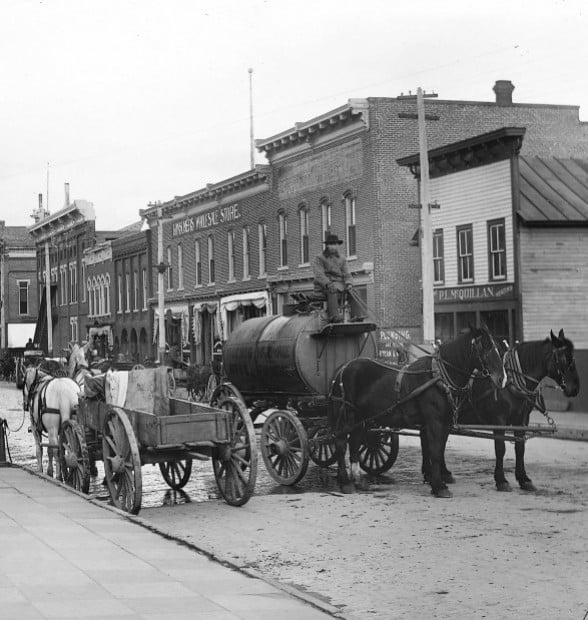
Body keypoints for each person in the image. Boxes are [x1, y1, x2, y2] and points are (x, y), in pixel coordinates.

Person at [312, 233, 353, 323]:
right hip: (324, 287)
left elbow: (347, 274)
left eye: (335, 244)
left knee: (354, 292)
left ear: (338, 245)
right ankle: (334, 317)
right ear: (327, 246)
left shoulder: (342, 259)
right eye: (331, 244)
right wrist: (327, 284)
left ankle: (356, 316)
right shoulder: (319, 258)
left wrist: (349, 283)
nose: (333, 247)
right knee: (332, 290)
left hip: (341, 285)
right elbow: (319, 275)